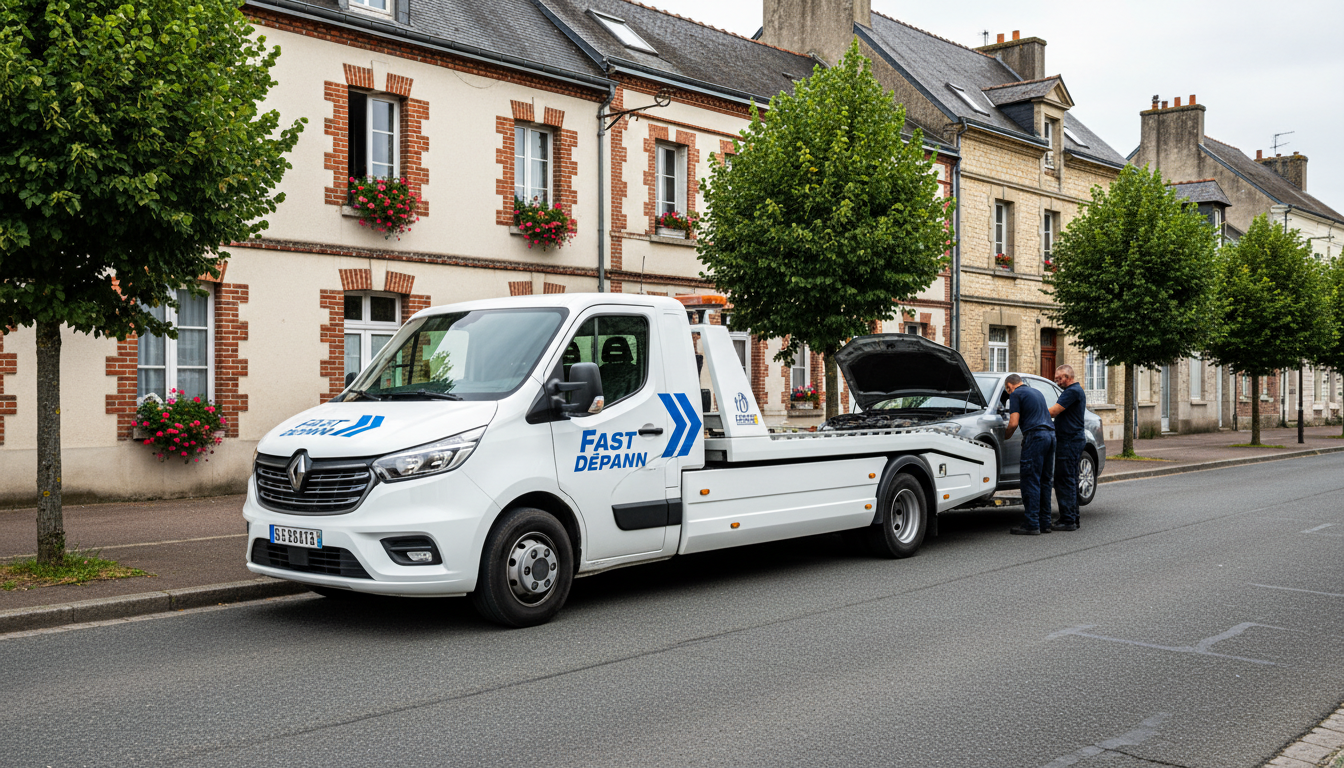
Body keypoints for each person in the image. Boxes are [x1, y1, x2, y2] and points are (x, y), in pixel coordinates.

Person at [1003, 374, 1055, 535]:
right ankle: (1045, 522)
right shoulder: (1036, 392)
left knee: (1030, 480)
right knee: (1045, 481)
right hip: (1051, 436)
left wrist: (1005, 437)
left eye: (1008, 390)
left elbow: (1013, 422)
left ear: (1009, 387)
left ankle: (1031, 523)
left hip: (1036, 437)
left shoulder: (1016, 394)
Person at [1049, 364, 1087, 531]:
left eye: (1059, 379)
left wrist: (1035, 411)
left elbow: (1054, 411)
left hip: (1069, 440)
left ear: (1067, 377)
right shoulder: (1075, 390)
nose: (1057, 382)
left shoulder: (1071, 391)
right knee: (1070, 478)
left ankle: (1068, 520)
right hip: (1072, 439)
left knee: (1064, 479)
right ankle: (1073, 517)